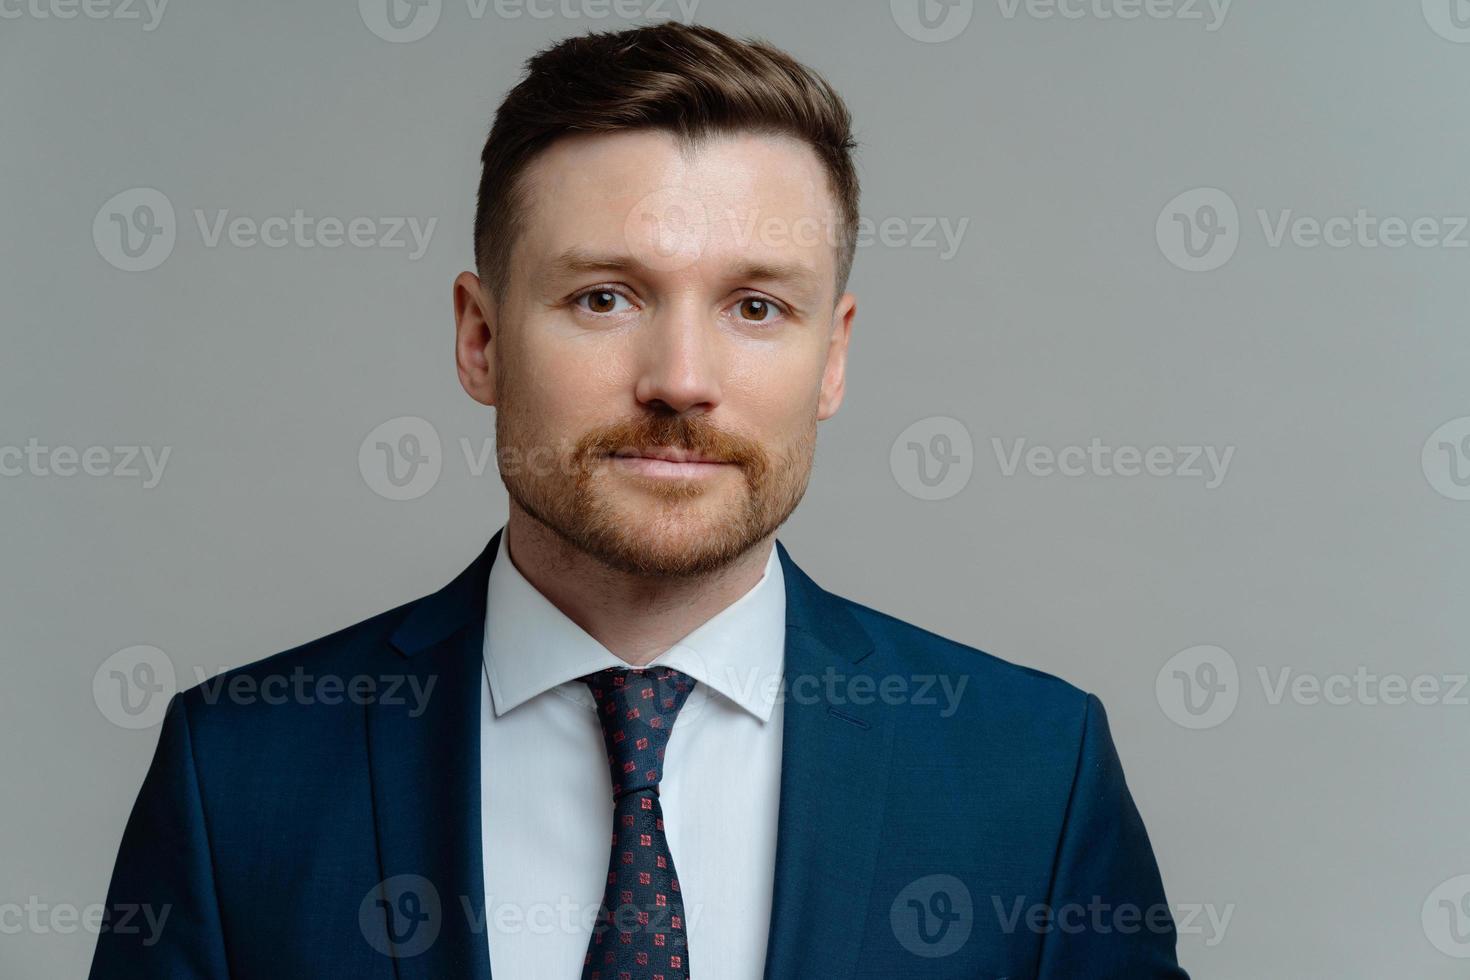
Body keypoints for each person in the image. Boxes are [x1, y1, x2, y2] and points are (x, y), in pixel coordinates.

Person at [89, 21, 1188, 979]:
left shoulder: (1035, 771)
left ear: (834, 357)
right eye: (605, 296)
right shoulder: (236, 772)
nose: (679, 378)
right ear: (479, 337)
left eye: (756, 306)